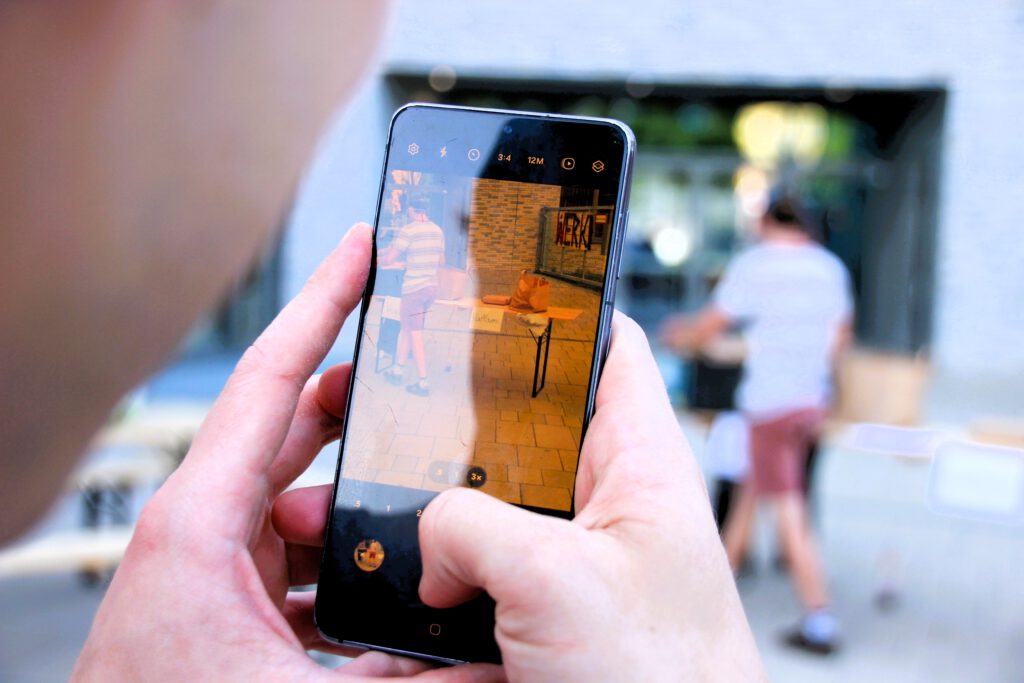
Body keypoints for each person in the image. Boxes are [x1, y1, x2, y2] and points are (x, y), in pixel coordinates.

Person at [1, 4, 765, 680]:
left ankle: (411, 375)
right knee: (406, 355)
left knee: (402, 354)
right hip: (425, 312)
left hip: (419, 309)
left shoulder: (424, 238)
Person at [662, 193, 854, 655]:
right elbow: (840, 335)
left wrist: (679, 334)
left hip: (770, 404)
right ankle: (714, 595)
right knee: (748, 496)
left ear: (768, 220)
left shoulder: (757, 263)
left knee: (788, 510)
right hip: (810, 400)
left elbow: (712, 324)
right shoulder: (830, 267)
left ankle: (819, 619)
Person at [379, 195, 446, 396]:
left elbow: (389, 258)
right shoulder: (438, 230)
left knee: (415, 334)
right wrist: (414, 262)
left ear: (411, 210)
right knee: (407, 328)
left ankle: (423, 382)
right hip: (430, 288)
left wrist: (374, 259)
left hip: (414, 290)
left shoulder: (408, 230)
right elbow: (440, 261)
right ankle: (397, 370)